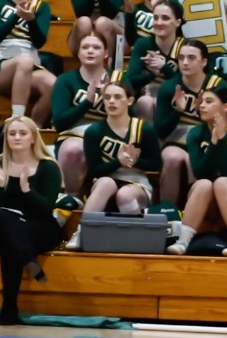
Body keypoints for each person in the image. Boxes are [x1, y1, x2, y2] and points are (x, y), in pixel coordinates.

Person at [0, 115, 65, 325]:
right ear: (6, 138)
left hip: (37, 226)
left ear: (33, 137)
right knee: (4, 219)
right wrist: (0, 185)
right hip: (2, 226)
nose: (17, 137)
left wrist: (27, 190)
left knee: (11, 244)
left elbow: (45, 209)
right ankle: (27, 258)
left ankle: (9, 308)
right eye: (12, 133)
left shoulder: (48, 167)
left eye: (22, 133)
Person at [168, 89, 227, 258]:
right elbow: (200, 172)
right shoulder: (195, 133)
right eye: (201, 101)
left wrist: (221, 140)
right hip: (210, 191)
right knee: (203, 184)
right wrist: (214, 143)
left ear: (225, 107)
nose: (202, 105)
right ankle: (182, 242)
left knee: (222, 182)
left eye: (209, 102)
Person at [70, 82, 163, 243]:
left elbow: (156, 164)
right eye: (107, 97)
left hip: (136, 182)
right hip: (104, 182)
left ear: (130, 100)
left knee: (124, 195)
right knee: (106, 182)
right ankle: (81, 232)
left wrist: (135, 161)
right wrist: (118, 162)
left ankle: (138, 239)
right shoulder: (93, 131)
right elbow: (95, 170)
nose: (111, 101)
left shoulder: (143, 129)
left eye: (117, 97)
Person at [152, 41, 227, 208]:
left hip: (206, 139)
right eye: (181, 58)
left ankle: (196, 212)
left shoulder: (217, 85)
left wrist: (202, 113)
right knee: (173, 158)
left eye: (191, 58)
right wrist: (178, 111)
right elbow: (160, 131)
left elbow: (226, 122)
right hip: (176, 141)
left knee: (194, 161)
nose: (185, 62)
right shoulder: (169, 87)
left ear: (204, 62)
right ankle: (168, 211)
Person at [52, 31, 114, 195]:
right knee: (73, 149)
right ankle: (69, 198)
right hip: (73, 135)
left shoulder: (118, 79)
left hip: (109, 136)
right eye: (85, 47)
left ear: (106, 53)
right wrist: (87, 102)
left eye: (96, 47)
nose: (90, 51)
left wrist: (109, 99)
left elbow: (131, 118)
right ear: (78, 52)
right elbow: (59, 123)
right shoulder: (65, 80)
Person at [125, 0, 185, 123]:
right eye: (155, 18)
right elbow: (130, 81)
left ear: (178, 22)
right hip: (150, 97)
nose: (159, 22)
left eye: (165, 18)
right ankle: (145, 135)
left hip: (177, 98)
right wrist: (152, 74)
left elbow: (187, 84)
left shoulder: (185, 47)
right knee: (144, 102)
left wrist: (164, 67)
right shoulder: (143, 44)